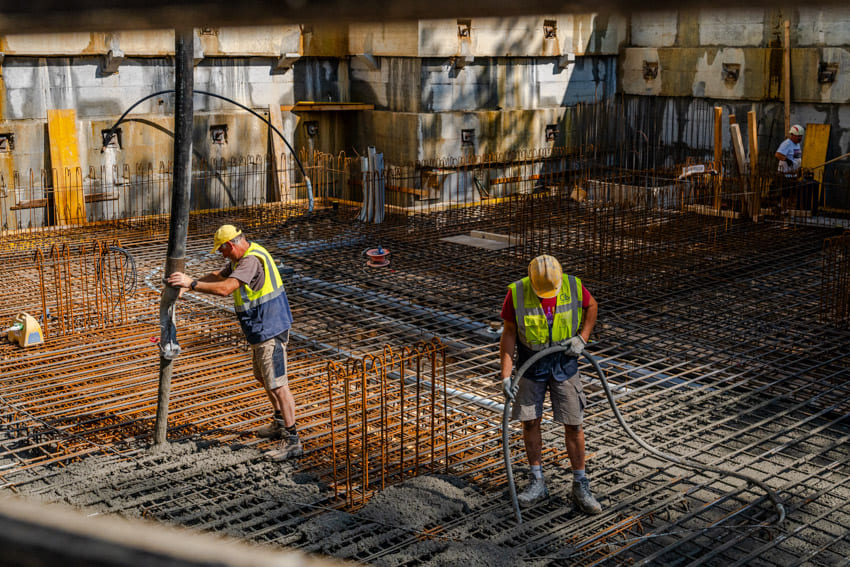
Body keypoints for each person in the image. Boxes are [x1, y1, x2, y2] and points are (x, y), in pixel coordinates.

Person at [167, 225, 301, 461]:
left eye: (222, 250)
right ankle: (280, 421)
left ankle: (292, 441)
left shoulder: (250, 261)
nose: (222, 255)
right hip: (259, 330)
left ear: (231, 245)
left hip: (270, 328)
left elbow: (226, 288)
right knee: (264, 378)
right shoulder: (243, 258)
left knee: (278, 383)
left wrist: (192, 284)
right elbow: (220, 276)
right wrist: (188, 284)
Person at [498, 254, 601, 514]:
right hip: (532, 363)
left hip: (564, 363)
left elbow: (592, 307)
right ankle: (537, 482)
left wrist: (583, 337)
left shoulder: (572, 286)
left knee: (574, 423)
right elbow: (509, 333)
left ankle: (580, 484)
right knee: (531, 421)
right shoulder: (518, 292)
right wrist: (506, 375)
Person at [774, 124, 818, 213]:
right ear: (792, 135)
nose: (800, 138)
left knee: (792, 193)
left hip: (793, 174)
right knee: (785, 193)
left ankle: (787, 210)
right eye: (798, 136)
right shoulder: (787, 144)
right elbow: (777, 154)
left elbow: (796, 158)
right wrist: (786, 159)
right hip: (785, 174)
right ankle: (783, 210)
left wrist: (798, 168)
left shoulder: (797, 145)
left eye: (801, 136)